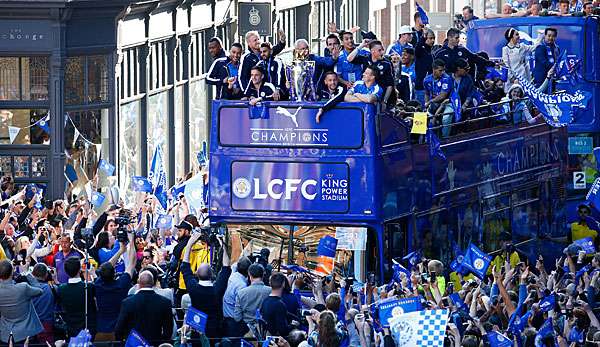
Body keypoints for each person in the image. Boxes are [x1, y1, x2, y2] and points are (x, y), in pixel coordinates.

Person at [180, 231, 231, 338]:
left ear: (197, 274)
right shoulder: (217, 289)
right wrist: (223, 245)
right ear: (212, 274)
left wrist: (190, 243)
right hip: (215, 331)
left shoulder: (193, 288)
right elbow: (226, 267)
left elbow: (185, 266)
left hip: (197, 329)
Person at [93, 237, 135, 342]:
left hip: (101, 329)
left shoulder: (98, 285)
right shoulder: (121, 284)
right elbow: (132, 264)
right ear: (115, 274)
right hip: (118, 329)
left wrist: (120, 252)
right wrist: (132, 240)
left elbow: (106, 267)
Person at [114, 270, 173, 343]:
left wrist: (126, 341)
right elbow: (168, 330)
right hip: (155, 343)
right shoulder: (165, 302)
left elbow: (119, 329)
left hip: (134, 344)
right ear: (153, 283)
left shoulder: (127, 303)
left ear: (139, 283)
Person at [0, 259, 43, 343]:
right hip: (26, 334)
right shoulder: (23, 288)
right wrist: (27, 273)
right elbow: (40, 290)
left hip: (6, 335)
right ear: (12, 272)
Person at [57, 256, 97, 338]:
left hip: (71, 329)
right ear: (79, 270)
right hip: (88, 329)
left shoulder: (61, 289)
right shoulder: (89, 287)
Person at [348, 40, 396, 107]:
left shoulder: (387, 63)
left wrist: (384, 101)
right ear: (372, 51)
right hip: (366, 95)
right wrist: (361, 45)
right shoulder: (366, 59)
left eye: (382, 49)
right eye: (379, 50)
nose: (382, 52)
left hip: (381, 96)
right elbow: (349, 59)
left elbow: (390, 84)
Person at [233, 263, 271, 337]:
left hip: (247, 333)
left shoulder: (241, 293)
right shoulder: (270, 291)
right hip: (266, 333)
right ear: (263, 275)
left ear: (249, 276)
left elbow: (237, 317)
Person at [222, 256, 251, 337]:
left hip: (226, 317)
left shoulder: (232, 275)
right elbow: (242, 307)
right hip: (234, 322)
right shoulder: (242, 286)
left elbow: (234, 265)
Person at [28, 263, 55, 344]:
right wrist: (55, 279)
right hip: (46, 325)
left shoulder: (26, 288)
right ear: (46, 275)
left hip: (31, 325)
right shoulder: (52, 289)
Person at [260, 272, 291, 337]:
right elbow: (283, 330)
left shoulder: (265, 301)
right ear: (283, 284)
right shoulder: (279, 305)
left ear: (270, 284)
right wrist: (293, 325)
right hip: (276, 339)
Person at [424, 59, 453, 123]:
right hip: (433, 105)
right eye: (440, 70)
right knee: (424, 118)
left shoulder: (446, 79)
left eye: (443, 70)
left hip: (446, 104)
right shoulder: (427, 79)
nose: (442, 72)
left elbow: (443, 96)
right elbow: (427, 93)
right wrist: (426, 104)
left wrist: (430, 102)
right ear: (434, 69)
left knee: (445, 120)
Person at [414, 29, 436, 106]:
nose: (432, 40)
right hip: (421, 87)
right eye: (430, 38)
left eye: (434, 38)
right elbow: (417, 49)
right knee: (421, 112)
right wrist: (423, 37)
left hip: (431, 88)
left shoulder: (433, 52)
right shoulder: (421, 50)